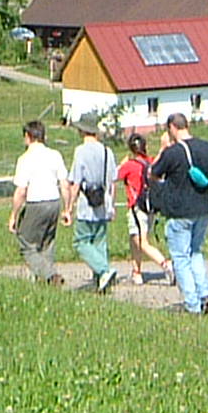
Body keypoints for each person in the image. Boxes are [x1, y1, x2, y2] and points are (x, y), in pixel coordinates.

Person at [146, 111, 208, 315]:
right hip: (202, 210)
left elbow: (152, 174)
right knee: (195, 252)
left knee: (181, 258)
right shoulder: (207, 147)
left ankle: (192, 305)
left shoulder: (172, 152)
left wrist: (163, 148)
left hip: (179, 213)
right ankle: (205, 295)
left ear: (172, 128)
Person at [8, 118, 71, 284]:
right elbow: (64, 184)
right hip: (54, 202)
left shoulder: (25, 159)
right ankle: (45, 283)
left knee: (27, 244)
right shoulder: (55, 155)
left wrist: (14, 215)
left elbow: (21, 191)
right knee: (47, 244)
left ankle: (50, 275)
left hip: (36, 202)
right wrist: (67, 209)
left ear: (28, 136)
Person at [67, 113, 120, 293]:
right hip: (103, 202)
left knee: (81, 242)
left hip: (86, 202)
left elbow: (75, 182)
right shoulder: (107, 151)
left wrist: (69, 207)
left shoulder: (80, 151)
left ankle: (104, 270)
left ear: (82, 131)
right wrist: (112, 205)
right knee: (99, 241)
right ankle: (100, 282)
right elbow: (112, 182)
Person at [118, 129, 174, 284]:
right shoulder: (150, 162)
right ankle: (136, 272)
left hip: (136, 207)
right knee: (134, 239)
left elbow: (114, 176)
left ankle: (166, 264)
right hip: (150, 207)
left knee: (142, 242)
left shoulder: (129, 165)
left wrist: (121, 165)